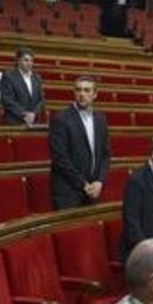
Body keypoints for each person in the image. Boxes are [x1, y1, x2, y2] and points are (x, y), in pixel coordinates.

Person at [49, 76, 111, 210]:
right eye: (79, 90)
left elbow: (105, 154)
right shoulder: (60, 119)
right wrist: (83, 184)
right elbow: (60, 158)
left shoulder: (101, 119)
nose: (82, 94)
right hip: (68, 192)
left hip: (93, 190)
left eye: (87, 90)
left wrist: (99, 181)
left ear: (95, 94)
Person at [0, 46, 44, 126]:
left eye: (31, 61)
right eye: (26, 60)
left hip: (33, 121)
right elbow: (7, 100)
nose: (29, 63)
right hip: (14, 122)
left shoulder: (37, 78)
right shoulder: (9, 76)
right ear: (18, 61)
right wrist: (24, 114)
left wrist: (34, 114)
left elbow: (41, 100)